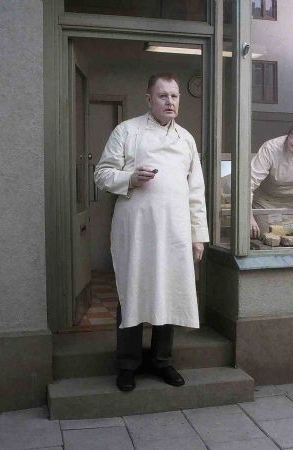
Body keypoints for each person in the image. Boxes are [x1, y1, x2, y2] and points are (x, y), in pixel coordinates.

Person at [94, 73, 209, 392]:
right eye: (163, 96)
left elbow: (195, 190)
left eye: (174, 96)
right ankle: (127, 364)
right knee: (132, 291)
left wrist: (198, 234)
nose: (170, 101)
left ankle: (162, 361)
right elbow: (101, 175)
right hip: (137, 230)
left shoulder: (186, 139)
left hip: (174, 231)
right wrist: (130, 178)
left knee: (168, 291)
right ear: (149, 99)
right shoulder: (127, 131)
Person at [249, 120, 293, 239]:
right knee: (267, 239)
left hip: (292, 204)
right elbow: (249, 184)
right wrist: (249, 217)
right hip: (265, 203)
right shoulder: (271, 148)